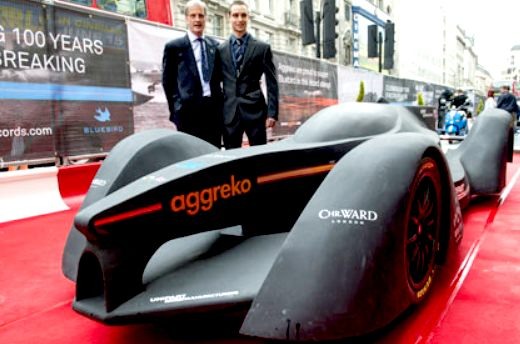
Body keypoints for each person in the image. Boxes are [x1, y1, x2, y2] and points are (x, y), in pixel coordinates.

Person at [218, 0, 279, 149]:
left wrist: (272, 113)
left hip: (255, 111)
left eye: (243, 15)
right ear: (229, 17)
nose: (240, 19)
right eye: (236, 15)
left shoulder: (262, 48)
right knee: (231, 158)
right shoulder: (221, 49)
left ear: (248, 17)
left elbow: (272, 83)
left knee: (258, 157)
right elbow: (216, 82)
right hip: (230, 112)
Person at [161, 0, 222, 147]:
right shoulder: (174, 47)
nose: (197, 20)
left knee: (213, 153)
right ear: (186, 18)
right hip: (187, 113)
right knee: (191, 156)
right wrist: (176, 110)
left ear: (206, 18)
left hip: (212, 111)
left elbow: (221, 77)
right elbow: (168, 82)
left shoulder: (215, 46)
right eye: (193, 15)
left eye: (201, 16)